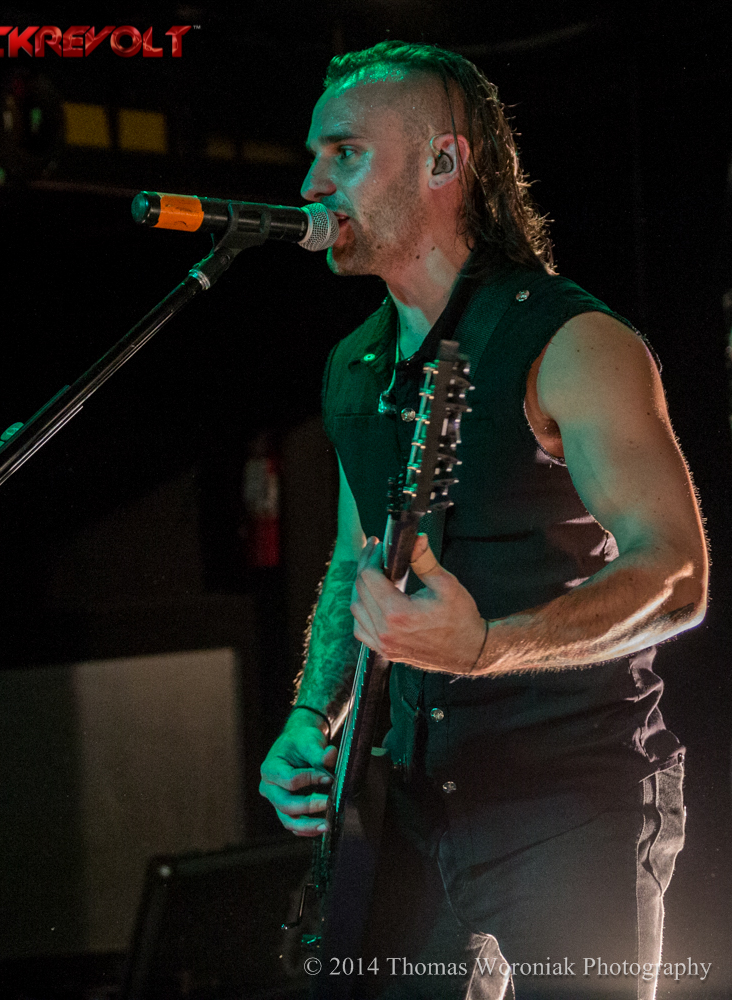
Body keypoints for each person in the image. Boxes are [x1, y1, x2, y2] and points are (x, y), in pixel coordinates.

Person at [259, 40, 708, 999]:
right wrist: (311, 713)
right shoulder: (354, 364)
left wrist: (487, 648)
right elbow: (355, 560)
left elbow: (675, 573)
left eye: (344, 153)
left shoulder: (572, 342)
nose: (311, 184)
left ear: (442, 161)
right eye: (313, 155)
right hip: (416, 809)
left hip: (569, 802)